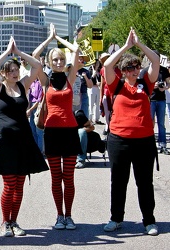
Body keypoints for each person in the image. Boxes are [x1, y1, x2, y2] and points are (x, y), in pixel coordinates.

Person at [0, 36, 48, 237]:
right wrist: (7, 53)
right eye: (9, 70)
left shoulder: (23, 85)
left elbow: (37, 65)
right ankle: (5, 221)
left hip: (24, 140)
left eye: (15, 69)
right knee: (9, 184)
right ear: (3, 74)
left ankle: (14, 221)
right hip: (6, 142)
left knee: (20, 184)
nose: (14, 73)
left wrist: (19, 53)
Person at [103, 28, 160, 236]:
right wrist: (126, 47)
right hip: (119, 140)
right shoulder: (116, 85)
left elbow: (155, 62)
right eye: (131, 68)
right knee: (118, 181)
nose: (135, 70)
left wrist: (139, 45)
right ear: (124, 71)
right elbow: (108, 65)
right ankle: (116, 218)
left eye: (137, 66)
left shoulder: (146, 83)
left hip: (144, 141)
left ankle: (149, 221)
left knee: (144, 182)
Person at [33, 23, 81, 230]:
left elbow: (76, 50)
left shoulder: (71, 76)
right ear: (50, 62)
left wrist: (59, 40)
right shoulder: (46, 80)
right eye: (55, 60)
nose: (59, 62)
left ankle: (69, 215)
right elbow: (35, 55)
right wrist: (49, 38)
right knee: (55, 177)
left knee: (68, 177)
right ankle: (59, 215)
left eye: (61, 59)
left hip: (70, 131)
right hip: (51, 132)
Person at [139, 50, 170, 155]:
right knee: (149, 123)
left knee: (161, 124)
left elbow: (168, 83)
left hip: (161, 99)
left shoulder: (164, 70)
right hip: (150, 100)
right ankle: (150, 144)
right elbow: (140, 87)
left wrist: (165, 87)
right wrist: (152, 87)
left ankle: (163, 145)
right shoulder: (145, 71)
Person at [27, 78, 44, 154]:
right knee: (32, 129)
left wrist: (30, 109)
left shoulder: (40, 83)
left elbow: (39, 100)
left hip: (38, 107)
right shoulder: (32, 83)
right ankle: (35, 148)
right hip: (31, 106)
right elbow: (30, 98)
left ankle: (40, 150)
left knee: (38, 130)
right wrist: (28, 109)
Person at [77, 53, 93, 118]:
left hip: (83, 94)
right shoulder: (71, 70)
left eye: (81, 59)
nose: (80, 60)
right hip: (74, 95)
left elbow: (90, 86)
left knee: (84, 115)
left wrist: (85, 77)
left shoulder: (86, 71)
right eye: (79, 59)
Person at [88, 60, 103, 124]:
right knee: (91, 103)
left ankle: (97, 118)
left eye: (98, 63)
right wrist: (93, 74)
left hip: (98, 88)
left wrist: (100, 83)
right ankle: (90, 118)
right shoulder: (91, 70)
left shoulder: (99, 71)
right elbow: (90, 79)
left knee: (97, 104)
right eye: (96, 63)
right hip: (92, 88)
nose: (97, 64)